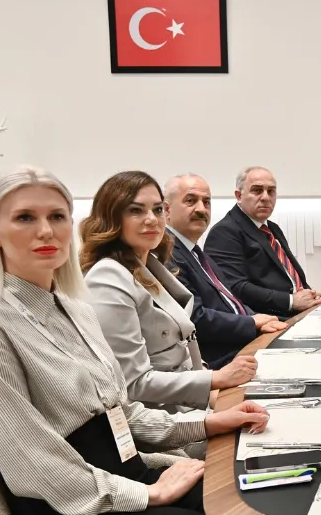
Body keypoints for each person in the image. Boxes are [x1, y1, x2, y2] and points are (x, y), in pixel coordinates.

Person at [0, 166, 321, 515]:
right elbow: (35, 466)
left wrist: (208, 422)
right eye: (25, 217)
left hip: (126, 473)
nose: (46, 231)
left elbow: (122, 413)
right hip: (72, 511)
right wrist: (147, 495)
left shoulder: (75, 309)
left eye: (57, 216)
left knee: (268, 504)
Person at [79, 171, 260, 421]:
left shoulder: (149, 265)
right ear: (112, 218)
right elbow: (133, 384)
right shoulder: (107, 277)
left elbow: (183, 352)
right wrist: (216, 379)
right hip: (165, 421)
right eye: (136, 210)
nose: (151, 219)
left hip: (191, 404)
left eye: (156, 209)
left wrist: (214, 393)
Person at [163, 173, 288, 369]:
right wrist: (252, 322)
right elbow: (194, 318)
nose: (201, 209)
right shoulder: (166, 254)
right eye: (191, 201)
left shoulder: (195, 252)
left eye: (206, 202)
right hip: (220, 361)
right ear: (166, 210)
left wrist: (260, 321)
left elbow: (231, 301)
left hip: (243, 345)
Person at [204, 166, 321, 319]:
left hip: (295, 313)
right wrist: (290, 301)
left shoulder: (272, 228)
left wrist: (311, 296)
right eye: (257, 190)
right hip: (267, 321)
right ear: (239, 196)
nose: (265, 197)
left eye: (271, 191)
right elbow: (235, 288)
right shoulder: (224, 232)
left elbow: (288, 278)